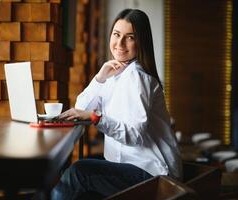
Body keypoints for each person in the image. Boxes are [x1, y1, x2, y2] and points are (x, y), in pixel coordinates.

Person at [51, 8, 182, 200]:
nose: (120, 43)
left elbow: (135, 134)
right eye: (116, 34)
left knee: (78, 173)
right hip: (129, 168)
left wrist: (95, 118)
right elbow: (81, 108)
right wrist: (100, 78)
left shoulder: (138, 76)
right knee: (78, 180)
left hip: (153, 175)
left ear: (141, 42)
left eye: (129, 37)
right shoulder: (116, 74)